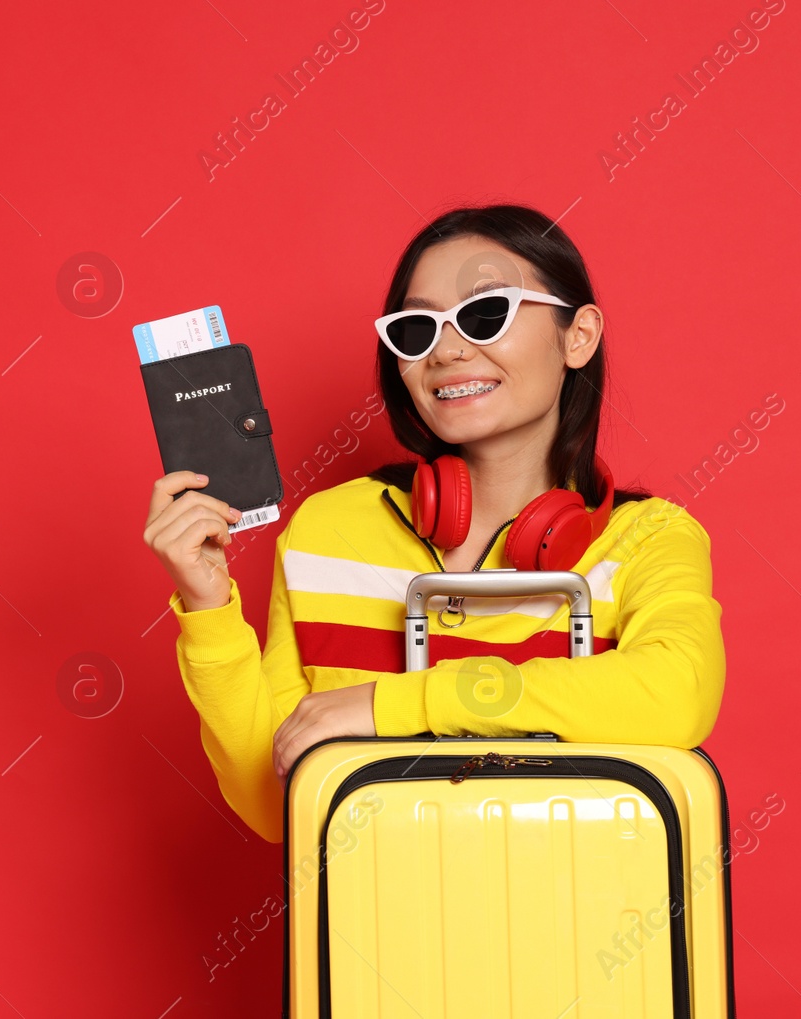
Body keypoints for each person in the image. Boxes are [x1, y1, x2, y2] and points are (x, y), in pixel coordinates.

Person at [142, 203, 726, 844]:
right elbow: (275, 804)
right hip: (382, 932)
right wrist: (209, 610)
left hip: (584, 926)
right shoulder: (328, 531)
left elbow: (676, 692)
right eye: (417, 329)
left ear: (578, 336)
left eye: (485, 314)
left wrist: (390, 706)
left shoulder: (647, 538)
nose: (446, 350)